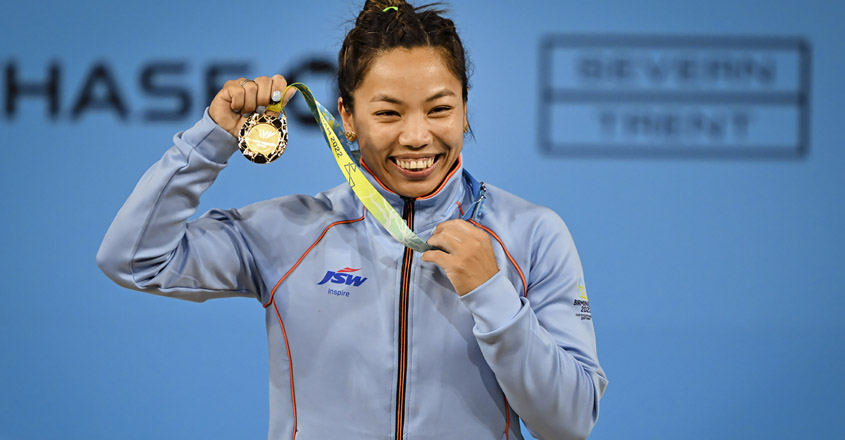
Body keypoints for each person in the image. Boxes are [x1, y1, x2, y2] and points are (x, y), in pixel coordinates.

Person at [96, 1, 608, 439]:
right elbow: (133, 260)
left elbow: (569, 423)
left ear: (466, 109)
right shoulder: (292, 231)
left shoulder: (532, 233)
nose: (416, 137)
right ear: (346, 117)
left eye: (439, 109)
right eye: (388, 113)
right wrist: (210, 141)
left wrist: (493, 295)